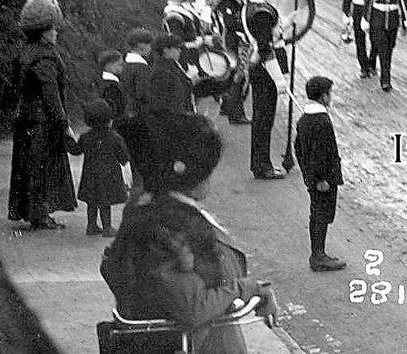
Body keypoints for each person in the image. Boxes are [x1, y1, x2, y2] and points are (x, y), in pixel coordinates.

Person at [102, 112, 277, 354]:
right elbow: (193, 307)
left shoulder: (149, 212)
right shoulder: (172, 227)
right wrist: (249, 289)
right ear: (195, 175)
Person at [8, 0, 78, 231]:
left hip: (25, 118)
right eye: (53, 29)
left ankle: (33, 212)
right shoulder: (46, 57)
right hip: (42, 122)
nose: (56, 33)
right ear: (46, 32)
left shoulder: (25, 51)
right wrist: (64, 124)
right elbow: (51, 94)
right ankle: (40, 215)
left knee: (28, 167)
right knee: (42, 168)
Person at [294, 76, 347, 272]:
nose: (330, 97)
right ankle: (318, 255)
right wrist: (320, 178)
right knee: (321, 215)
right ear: (323, 96)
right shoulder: (322, 121)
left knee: (317, 214)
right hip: (323, 179)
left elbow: (298, 148)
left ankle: (318, 253)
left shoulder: (304, 119)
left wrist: (308, 174)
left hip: (312, 177)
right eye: (329, 94)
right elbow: (320, 153)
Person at [244, 0, 286, 180]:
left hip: (262, 69)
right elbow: (264, 47)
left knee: (263, 118)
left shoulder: (253, 6)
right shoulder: (261, 12)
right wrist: (278, 78)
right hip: (265, 70)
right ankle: (262, 166)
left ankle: (261, 163)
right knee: (263, 119)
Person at [69, 99, 129, 237]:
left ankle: (91, 226)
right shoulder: (114, 137)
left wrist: (68, 138)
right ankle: (107, 227)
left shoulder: (86, 137)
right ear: (109, 119)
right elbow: (124, 158)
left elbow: (76, 150)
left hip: (90, 175)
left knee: (92, 202)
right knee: (105, 202)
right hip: (108, 176)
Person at [211, 0, 251, 125]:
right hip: (234, 41)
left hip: (229, 40)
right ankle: (236, 113)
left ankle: (227, 107)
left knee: (232, 75)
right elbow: (230, 23)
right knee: (238, 77)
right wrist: (247, 25)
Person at [364, 0, 404, 93]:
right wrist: (366, 18)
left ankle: (376, 66)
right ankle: (385, 80)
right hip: (378, 17)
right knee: (383, 48)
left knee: (390, 47)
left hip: (392, 17)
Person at [147, 34, 196, 116]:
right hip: (173, 117)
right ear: (166, 50)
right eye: (176, 48)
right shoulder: (161, 72)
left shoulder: (173, 66)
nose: (179, 51)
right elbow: (160, 102)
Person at [98, 50, 126, 123]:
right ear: (109, 65)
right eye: (119, 64)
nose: (122, 67)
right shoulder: (111, 86)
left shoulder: (102, 83)